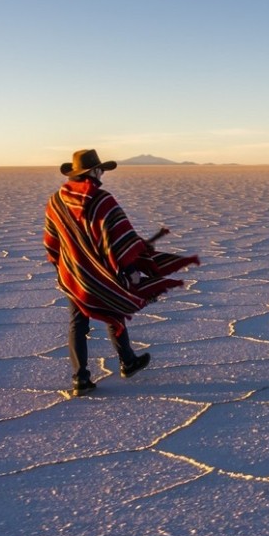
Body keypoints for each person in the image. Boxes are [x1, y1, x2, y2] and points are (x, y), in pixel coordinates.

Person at [42, 148, 200, 396]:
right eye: (100, 169)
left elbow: (52, 242)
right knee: (113, 307)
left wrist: (63, 267)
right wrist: (131, 266)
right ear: (93, 171)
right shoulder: (102, 200)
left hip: (74, 274)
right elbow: (119, 240)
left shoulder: (56, 201)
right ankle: (127, 362)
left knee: (77, 323)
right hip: (102, 274)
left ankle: (80, 379)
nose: (102, 173)